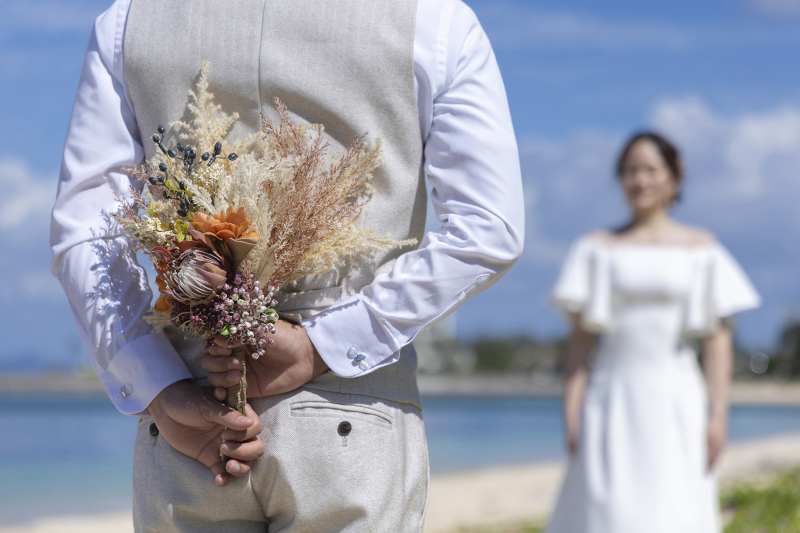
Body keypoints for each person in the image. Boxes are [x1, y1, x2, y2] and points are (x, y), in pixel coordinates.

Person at [50, 0, 524, 531]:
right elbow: (489, 227)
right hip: (349, 416)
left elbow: (84, 232)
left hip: (195, 417)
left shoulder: (128, 21)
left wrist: (157, 384)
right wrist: (326, 343)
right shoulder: (432, 18)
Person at [545, 132, 759, 533]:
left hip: (676, 397)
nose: (639, 179)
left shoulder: (702, 248)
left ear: (674, 179)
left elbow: (717, 339)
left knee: (675, 508)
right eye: (629, 171)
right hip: (610, 396)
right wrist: (571, 411)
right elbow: (580, 343)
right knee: (607, 510)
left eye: (650, 169)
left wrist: (718, 414)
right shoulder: (595, 247)